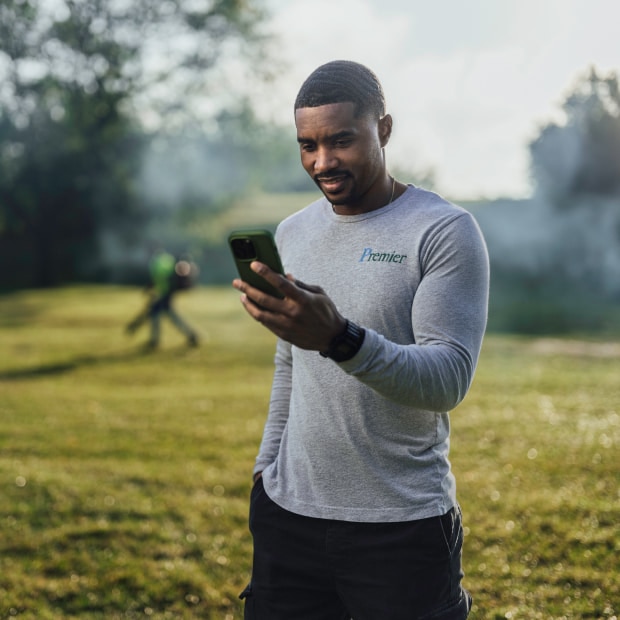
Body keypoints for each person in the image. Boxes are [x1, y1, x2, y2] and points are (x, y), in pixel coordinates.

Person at [232, 60, 489, 619]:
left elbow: (447, 379)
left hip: (401, 528)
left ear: (385, 129)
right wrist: (265, 470)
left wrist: (340, 338)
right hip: (288, 517)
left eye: (341, 140)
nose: (322, 162)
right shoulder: (293, 231)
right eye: (307, 145)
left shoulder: (442, 230)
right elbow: (289, 362)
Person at [126, 247, 199, 348]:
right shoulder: (165, 259)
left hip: (166, 292)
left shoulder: (157, 262)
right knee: (168, 315)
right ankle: (191, 335)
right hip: (167, 292)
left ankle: (154, 341)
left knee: (157, 313)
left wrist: (153, 289)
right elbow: (160, 278)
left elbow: (161, 277)